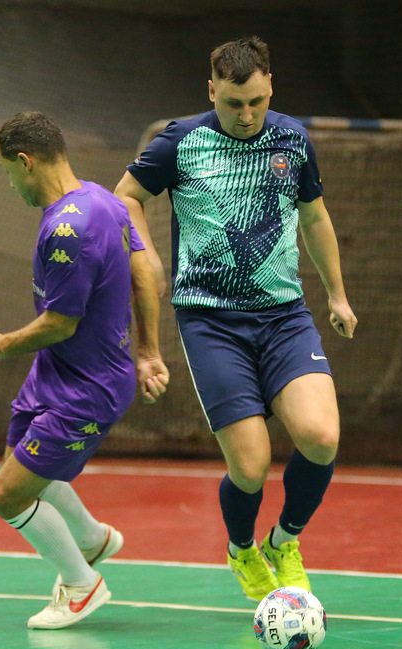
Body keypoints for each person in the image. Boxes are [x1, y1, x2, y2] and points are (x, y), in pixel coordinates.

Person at [114, 36, 357, 602]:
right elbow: (124, 196)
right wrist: (145, 255)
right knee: (250, 468)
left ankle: (284, 541)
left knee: (321, 437)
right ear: (211, 91)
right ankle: (243, 549)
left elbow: (314, 218)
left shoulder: (292, 139)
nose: (246, 116)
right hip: (211, 323)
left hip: (284, 316)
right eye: (233, 104)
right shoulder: (179, 141)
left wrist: (338, 296)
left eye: (256, 102)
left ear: (270, 87)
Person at [0, 112, 168, 629]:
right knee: (18, 466)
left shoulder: (66, 231)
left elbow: (60, 323)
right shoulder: (104, 199)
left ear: (26, 161)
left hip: (87, 388)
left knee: (7, 495)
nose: (11, 184)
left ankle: (82, 585)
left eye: (8, 172)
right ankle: (92, 539)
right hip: (56, 373)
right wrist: (148, 352)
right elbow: (146, 274)